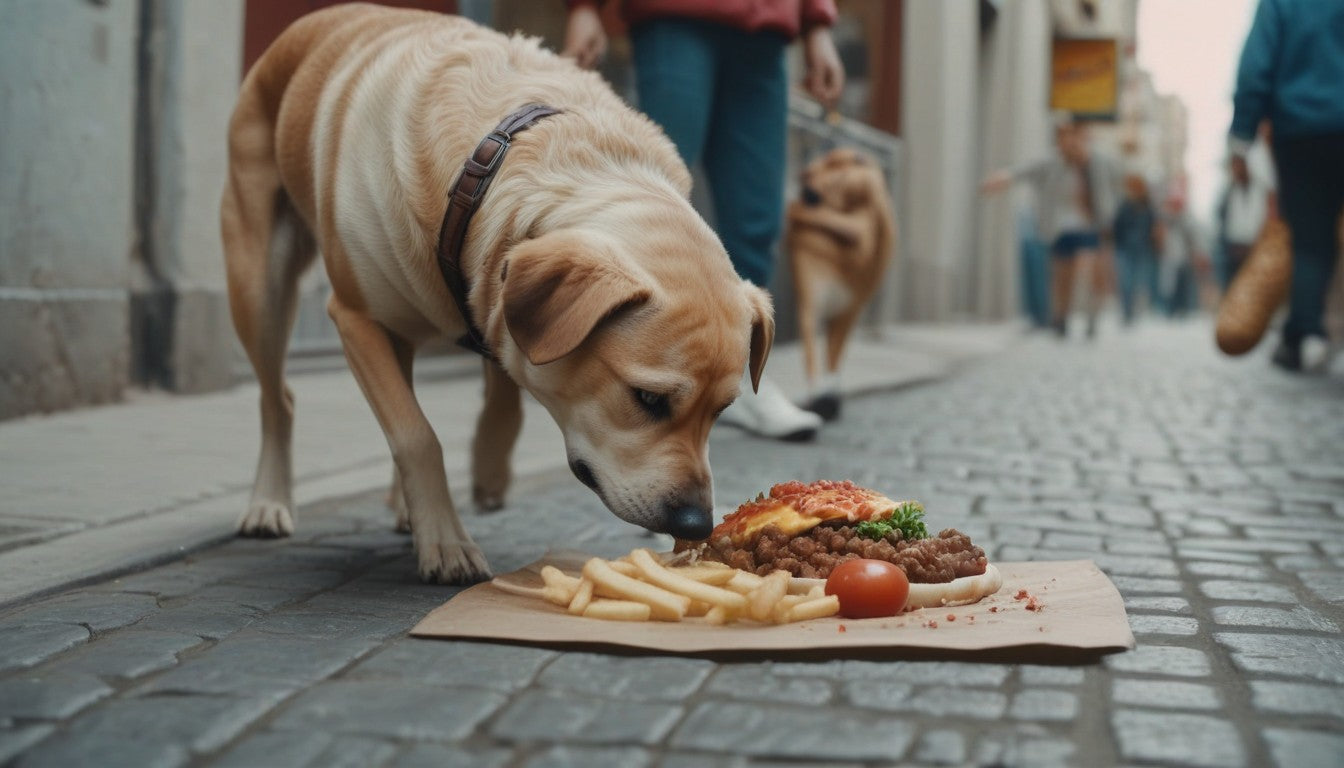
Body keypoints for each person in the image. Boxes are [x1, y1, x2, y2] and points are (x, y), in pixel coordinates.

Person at [563, 0, 844, 440]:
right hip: (677, 17)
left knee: (756, 217)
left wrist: (817, 23)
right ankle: (631, 368)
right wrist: (584, 7)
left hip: (768, 30)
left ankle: (742, 382)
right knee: (655, 200)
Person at [1230, 0, 1344, 372]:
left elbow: (1256, 67)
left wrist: (1242, 135)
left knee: (1310, 239)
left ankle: (1305, 333)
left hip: (1301, 130)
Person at [982, 116, 1122, 339]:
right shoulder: (1052, 162)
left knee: (1090, 269)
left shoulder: (1099, 162)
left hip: (1093, 226)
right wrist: (1001, 178)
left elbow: (1120, 183)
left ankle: (1091, 316)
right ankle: (1061, 317)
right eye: (1064, 137)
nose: (1070, 142)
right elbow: (1023, 171)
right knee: (1062, 274)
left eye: (1074, 136)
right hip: (1060, 227)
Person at [1215, 141, 1276, 291]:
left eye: (1239, 164)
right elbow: (1221, 221)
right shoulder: (1228, 192)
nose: (1236, 169)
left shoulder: (1261, 189)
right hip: (1233, 252)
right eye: (1233, 165)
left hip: (1256, 250)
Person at [1112, 173, 1162, 323]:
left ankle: (1136, 310)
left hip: (1143, 249)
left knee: (1138, 281)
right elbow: (1116, 227)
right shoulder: (1123, 206)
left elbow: (1155, 227)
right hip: (1125, 249)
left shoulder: (1148, 207)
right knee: (1125, 281)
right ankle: (1127, 311)